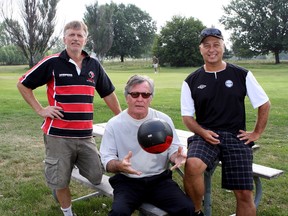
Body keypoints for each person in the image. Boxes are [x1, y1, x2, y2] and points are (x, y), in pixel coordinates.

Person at [17, 20, 122, 216]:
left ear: (85, 39)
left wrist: (122, 117)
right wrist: (41, 110)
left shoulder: (94, 65)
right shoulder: (53, 62)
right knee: (60, 180)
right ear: (64, 38)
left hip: (84, 136)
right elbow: (23, 84)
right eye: (71, 35)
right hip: (58, 136)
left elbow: (108, 93)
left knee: (97, 175)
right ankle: (68, 212)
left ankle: (65, 165)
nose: (75, 38)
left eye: (79, 35)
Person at [181, 27, 270, 216]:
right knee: (193, 165)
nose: (211, 49)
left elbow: (264, 104)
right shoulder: (191, 80)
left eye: (216, 44)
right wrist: (202, 132)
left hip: (236, 136)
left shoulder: (242, 74)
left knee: (244, 193)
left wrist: (256, 133)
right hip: (205, 135)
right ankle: (196, 211)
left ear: (223, 46)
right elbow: (187, 117)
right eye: (207, 45)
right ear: (200, 49)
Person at [100, 75, 195, 216]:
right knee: (118, 213)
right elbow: (107, 160)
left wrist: (177, 157)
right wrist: (120, 165)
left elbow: (173, 149)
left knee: (187, 208)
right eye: (134, 94)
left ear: (151, 98)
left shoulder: (163, 120)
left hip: (159, 180)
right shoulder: (114, 124)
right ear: (127, 97)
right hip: (128, 182)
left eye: (145, 95)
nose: (140, 99)